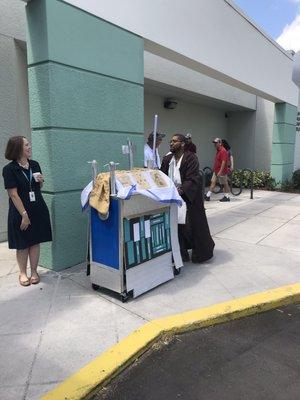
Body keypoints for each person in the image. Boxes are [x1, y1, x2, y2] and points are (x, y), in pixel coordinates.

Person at [2, 136, 52, 286]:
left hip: (37, 208)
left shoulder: (35, 165)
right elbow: (13, 194)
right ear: (18, 149)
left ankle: (34, 271)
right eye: (26, 145)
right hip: (20, 212)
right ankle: (23, 273)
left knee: (35, 241)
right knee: (22, 244)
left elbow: (38, 188)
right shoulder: (9, 169)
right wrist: (24, 215)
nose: (30, 147)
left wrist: (41, 181)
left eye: (29, 144)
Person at [161, 134, 214, 263]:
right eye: (170, 141)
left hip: (188, 197)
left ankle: (201, 253)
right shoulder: (168, 159)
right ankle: (181, 254)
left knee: (191, 227)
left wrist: (181, 190)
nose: (171, 143)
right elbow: (162, 176)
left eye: (174, 141)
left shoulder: (191, 158)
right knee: (176, 227)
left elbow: (192, 178)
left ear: (183, 144)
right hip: (172, 198)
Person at [204, 137, 230, 202]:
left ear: (220, 143)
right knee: (213, 182)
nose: (215, 144)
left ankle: (227, 197)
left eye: (216, 143)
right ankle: (208, 196)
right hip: (216, 171)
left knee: (225, 184)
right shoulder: (218, 151)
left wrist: (220, 171)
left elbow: (223, 162)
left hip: (222, 172)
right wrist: (214, 170)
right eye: (214, 143)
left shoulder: (223, 151)